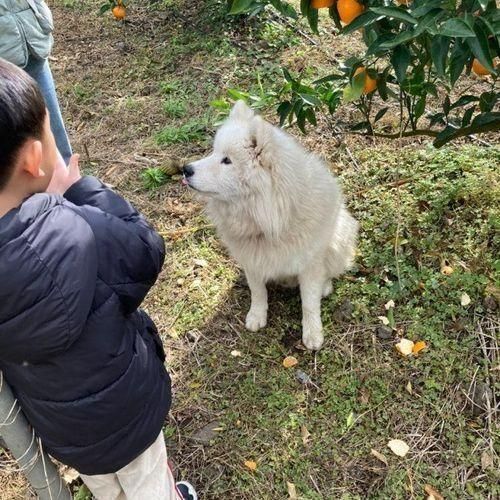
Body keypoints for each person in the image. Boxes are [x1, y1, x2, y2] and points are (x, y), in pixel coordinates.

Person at [0, 58, 197, 500]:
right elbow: (144, 250)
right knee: (150, 483)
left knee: (108, 488)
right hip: (125, 410)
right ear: (34, 158)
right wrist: (80, 193)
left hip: (61, 426)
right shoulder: (70, 226)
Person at [0, 0, 72, 163]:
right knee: (10, 137)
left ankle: (68, 181)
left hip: (32, 43)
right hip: (4, 63)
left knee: (51, 124)